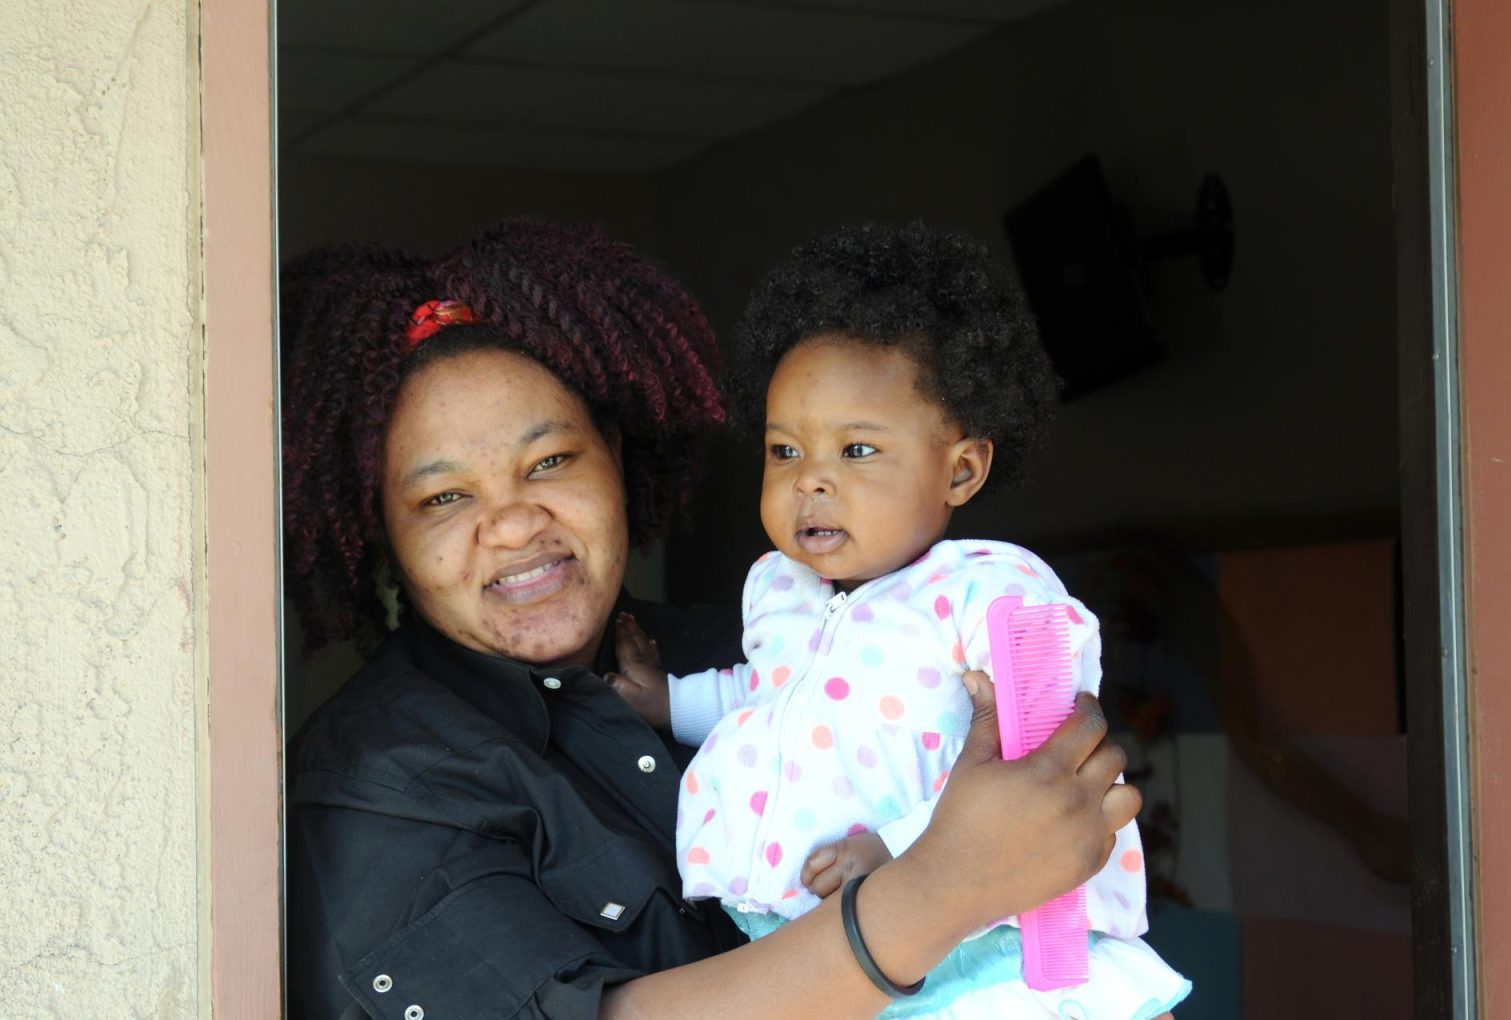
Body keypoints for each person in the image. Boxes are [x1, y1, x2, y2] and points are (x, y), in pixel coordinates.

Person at [282, 219, 1144, 1020]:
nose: (512, 523)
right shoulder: (378, 777)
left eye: (548, 460)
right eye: (443, 497)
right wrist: (936, 892)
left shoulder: (750, 648)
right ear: (386, 532)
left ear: (614, 459)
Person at [606, 223, 1191, 1019]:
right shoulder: (778, 587)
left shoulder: (990, 591)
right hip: (824, 955)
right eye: (784, 452)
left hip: (986, 950)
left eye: (856, 451)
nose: (812, 480)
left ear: (960, 468)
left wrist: (907, 854)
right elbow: (766, 695)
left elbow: (1046, 754)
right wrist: (667, 703)